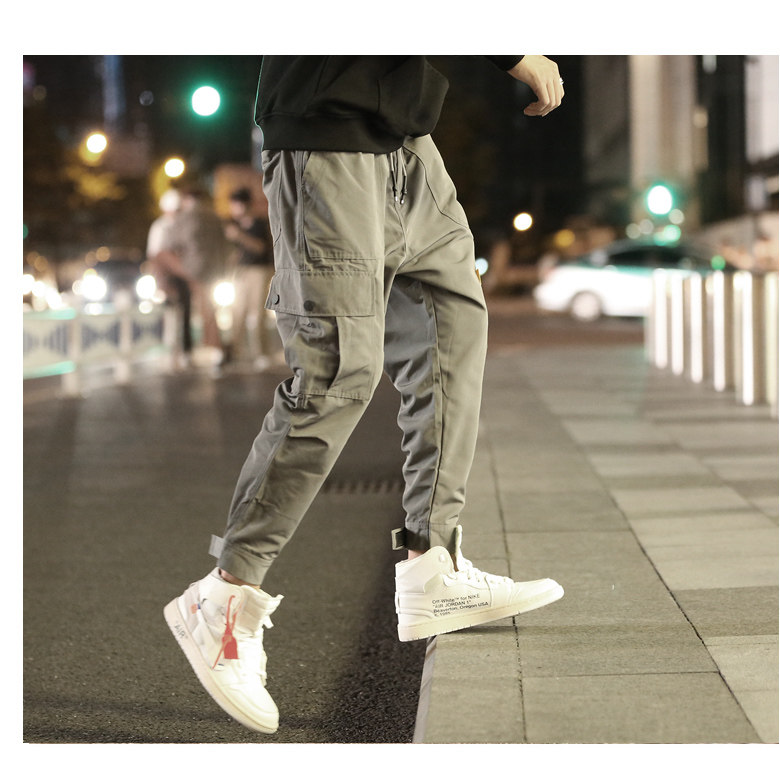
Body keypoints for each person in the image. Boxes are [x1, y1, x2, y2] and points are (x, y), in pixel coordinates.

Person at [164, 55, 566, 735]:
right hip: (327, 133)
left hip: (408, 139)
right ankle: (224, 597)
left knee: (451, 329)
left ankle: (432, 565)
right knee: (338, 372)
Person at [224, 187, 276, 369]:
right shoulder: (235, 225)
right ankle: (234, 352)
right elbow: (237, 251)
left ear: (243, 205)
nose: (232, 209)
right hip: (241, 272)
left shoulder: (259, 224)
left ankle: (261, 353)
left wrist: (240, 236)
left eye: (234, 205)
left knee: (257, 314)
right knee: (237, 313)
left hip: (259, 271)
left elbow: (261, 248)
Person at [176, 187, 230, 360]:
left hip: (193, 268)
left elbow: (179, 242)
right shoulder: (213, 216)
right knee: (209, 306)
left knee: (201, 307)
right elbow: (223, 243)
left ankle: (212, 346)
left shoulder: (185, 217)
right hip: (213, 267)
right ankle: (213, 345)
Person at [145, 188, 193, 357]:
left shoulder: (183, 226)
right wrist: (159, 282)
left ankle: (186, 349)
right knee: (169, 313)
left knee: (186, 312)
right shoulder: (159, 227)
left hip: (183, 276)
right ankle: (169, 350)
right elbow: (154, 255)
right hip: (167, 277)